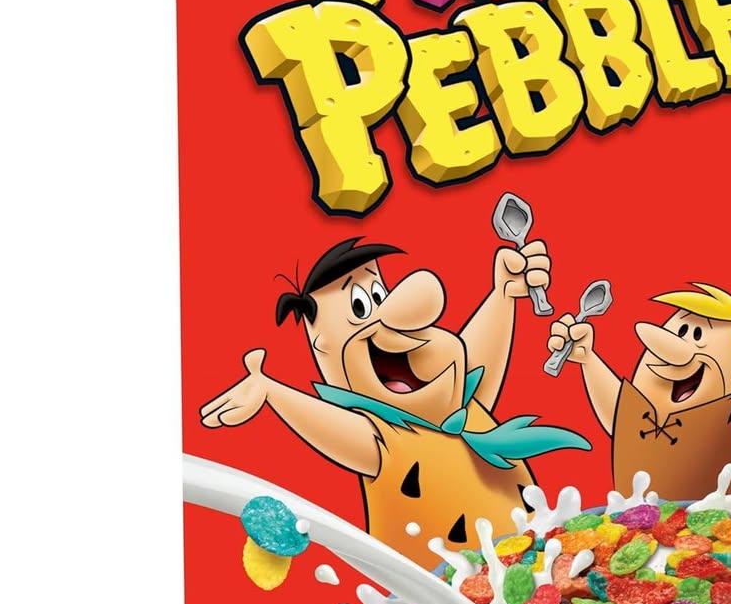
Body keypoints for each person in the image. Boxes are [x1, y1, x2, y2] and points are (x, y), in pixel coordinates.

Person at [200, 237, 590, 565]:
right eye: (360, 307)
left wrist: (503, 294)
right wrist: (271, 391)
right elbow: (334, 429)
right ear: (324, 350)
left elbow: (474, 363)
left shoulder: (458, 400)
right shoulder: (382, 439)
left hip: (541, 564)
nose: (389, 316)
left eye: (378, 294)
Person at [549, 282, 731, 499]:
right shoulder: (636, 406)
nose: (674, 347)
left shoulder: (727, 419)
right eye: (681, 331)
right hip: (623, 533)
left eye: (697, 335)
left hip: (706, 545)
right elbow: (617, 414)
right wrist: (588, 359)